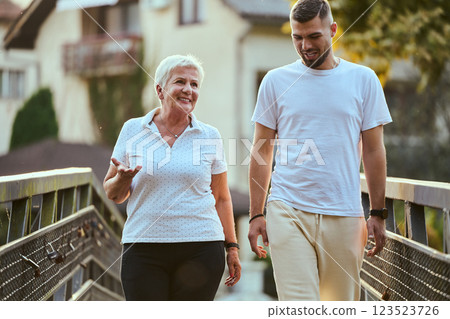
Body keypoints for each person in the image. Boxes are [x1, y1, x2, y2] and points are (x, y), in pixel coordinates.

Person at [248, 0, 392, 301]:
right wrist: (255, 214)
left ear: (333, 30)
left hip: (345, 213)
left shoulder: (363, 80)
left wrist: (377, 212)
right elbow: (262, 152)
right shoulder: (275, 82)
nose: (305, 46)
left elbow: (374, 151)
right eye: (297, 37)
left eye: (314, 36)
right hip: (287, 209)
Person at [103, 54, 241, 301]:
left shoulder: (209, 135)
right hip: (143, 247)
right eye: (180, 82)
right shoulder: (133, 129)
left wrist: (232, 247)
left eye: (194, 84)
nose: (188, 89)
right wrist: (123, 179)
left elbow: (221, 197)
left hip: (201, 247)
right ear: (160, 89)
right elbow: (113, 193)